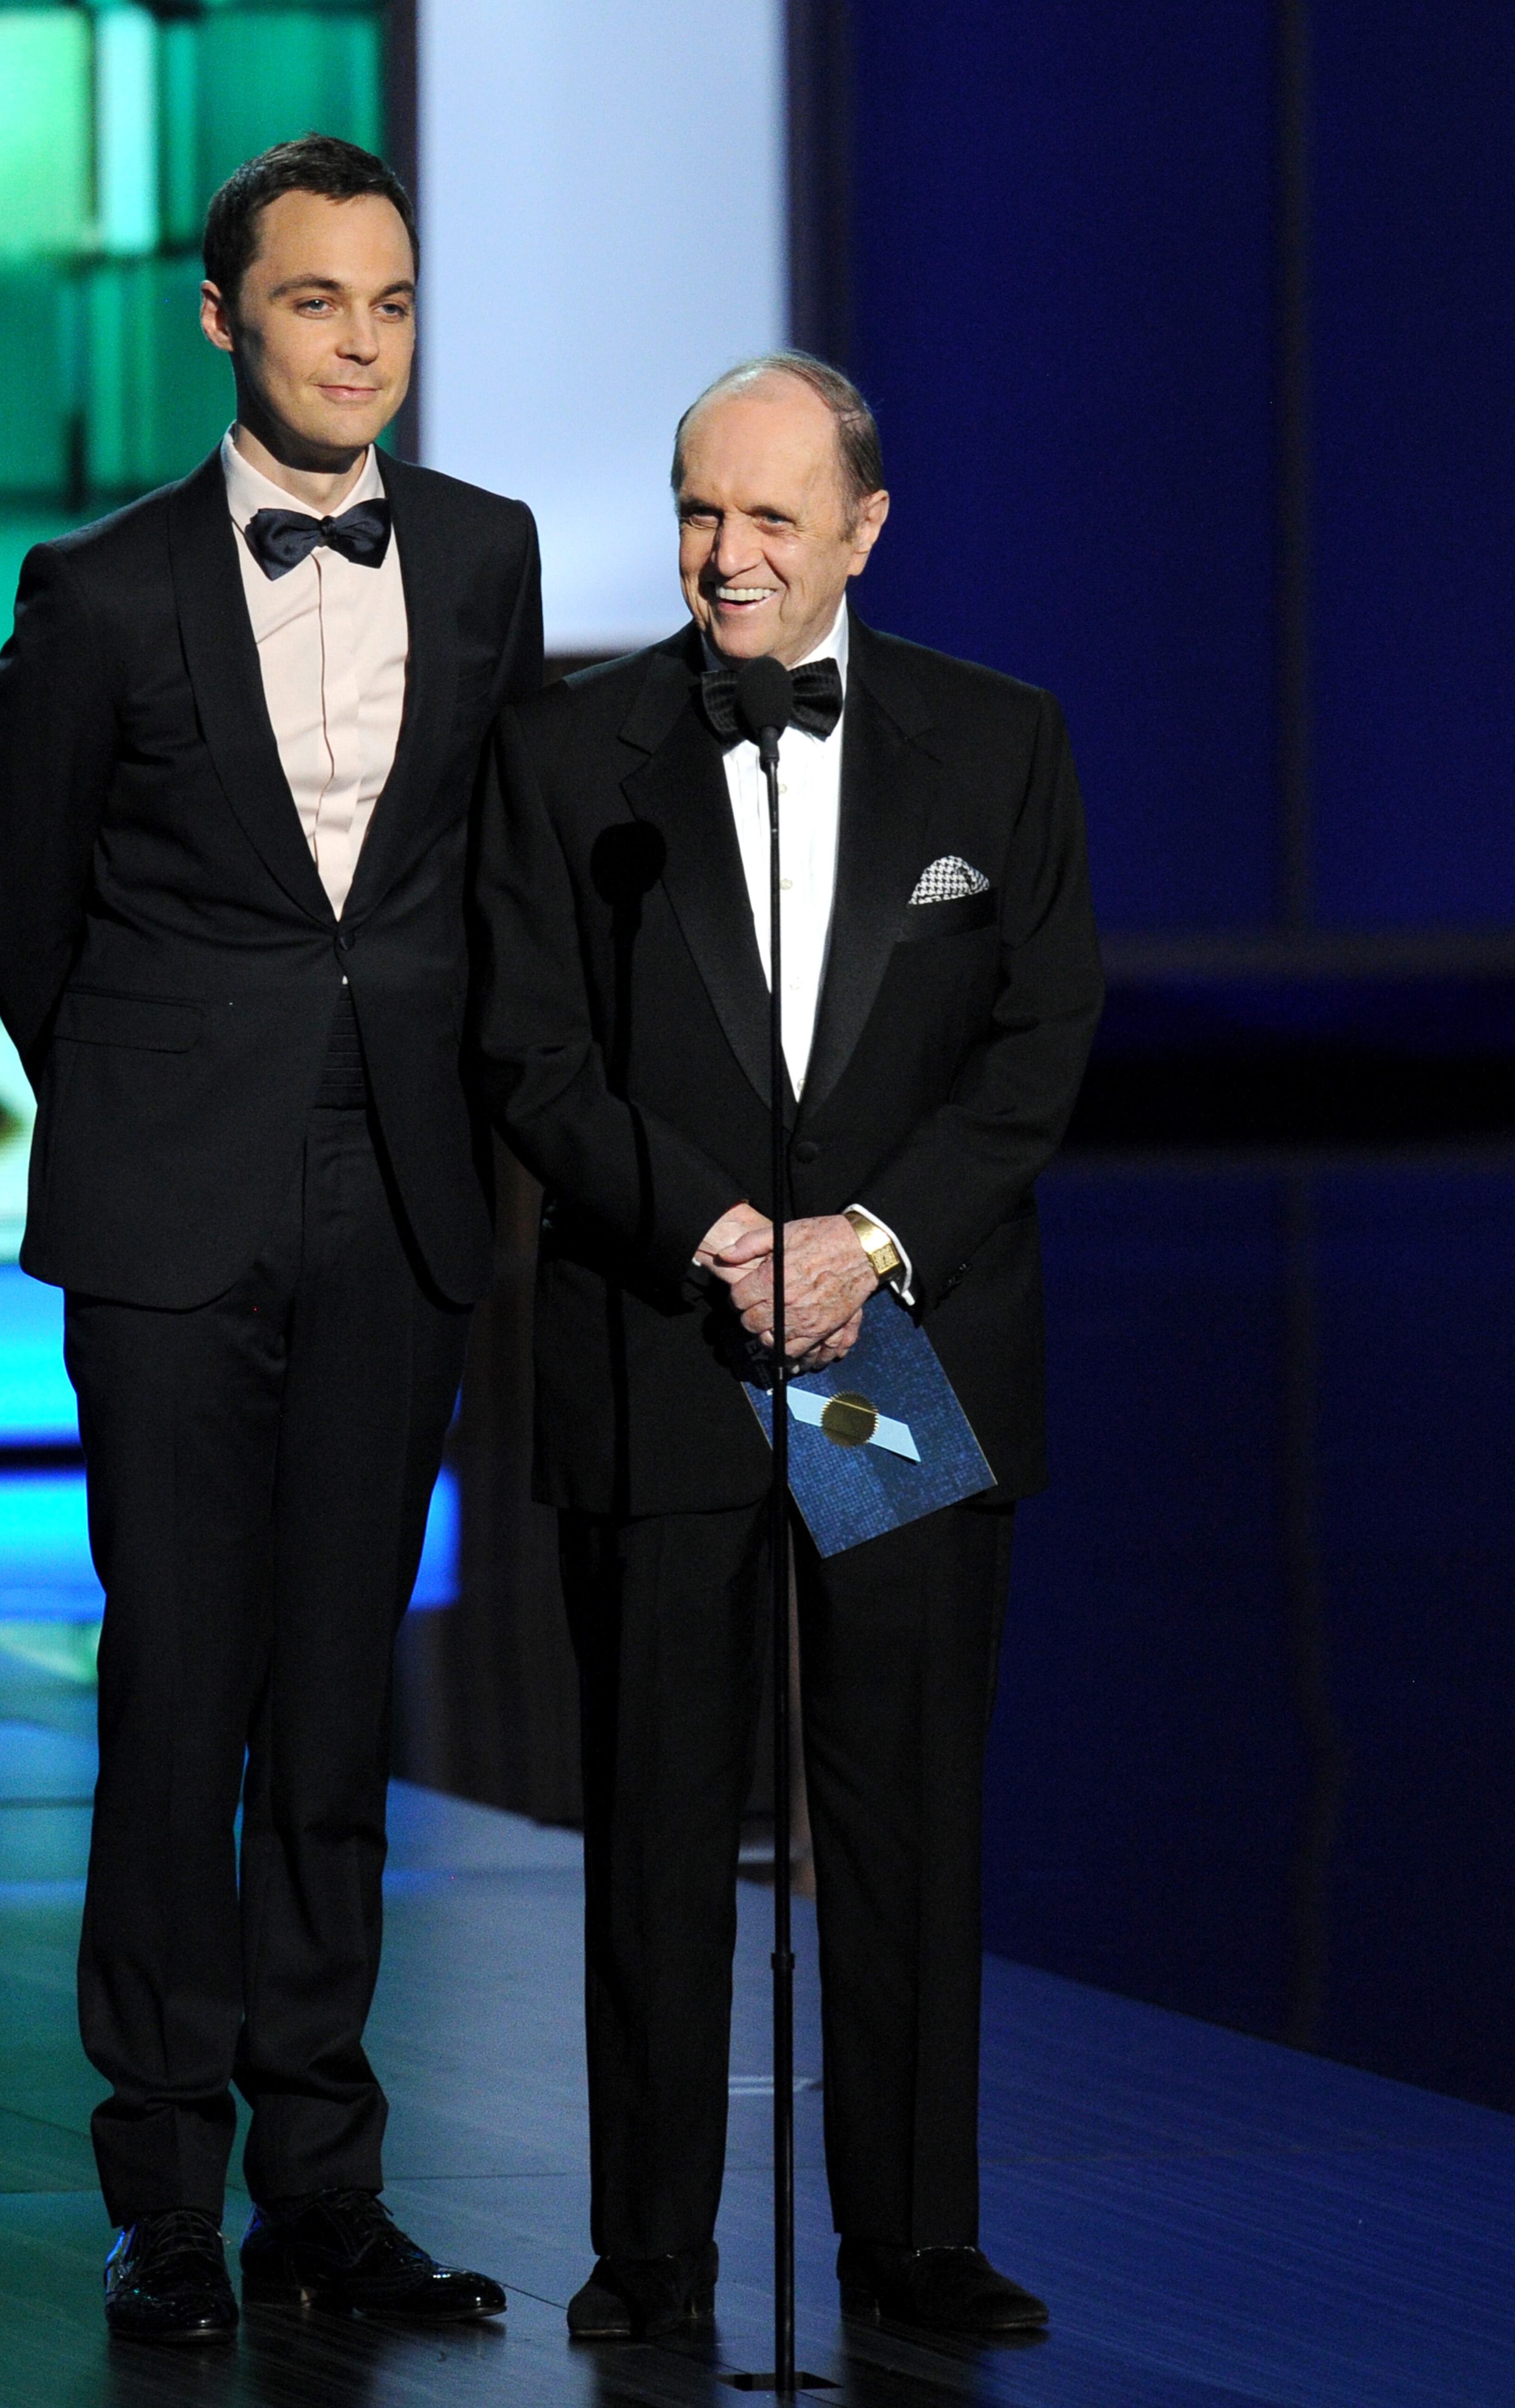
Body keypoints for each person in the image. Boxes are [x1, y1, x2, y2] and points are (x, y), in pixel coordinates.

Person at [0, 134, 541, 2343]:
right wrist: (152, 1101)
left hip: (399, 1192)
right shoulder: (102, 589)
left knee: (331, 1709)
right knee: (178, 1696)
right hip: (173, 1205)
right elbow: (22, 909)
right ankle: (163, 2198)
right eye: (317, 301)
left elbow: (493, 876)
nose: (361, 344)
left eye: (391, 303)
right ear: (224, 319)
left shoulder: (481, 557)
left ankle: (324, 2188)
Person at [474, 353, 1102, 2343]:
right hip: (673, 1332)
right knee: (658, 1806)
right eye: (698, 512)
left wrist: (867, 1244)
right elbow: (530, 1054)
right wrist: (720, 1232)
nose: (725, 554)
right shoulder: (570, 758)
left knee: (903, 1798)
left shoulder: (993, 744)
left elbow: (1040, 1041)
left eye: (768, 516)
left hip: (878, 1346)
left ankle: (913, 2238)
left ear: (864, 529)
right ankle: (651, 2252)